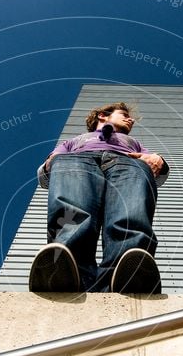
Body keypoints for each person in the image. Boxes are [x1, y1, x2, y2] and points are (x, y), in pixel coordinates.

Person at [29, 102, 169, 293]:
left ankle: (127, 267)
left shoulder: (133, 143)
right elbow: (45, 175)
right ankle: (66, 267)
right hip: (78, 161)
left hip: (127, 163)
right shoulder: (74, 141)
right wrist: (51, 163)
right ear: (102, 116)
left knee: (131, 212)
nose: (131, 119)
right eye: (124, 114)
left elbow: (156, 170)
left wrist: (159, 159)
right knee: (73, 211)